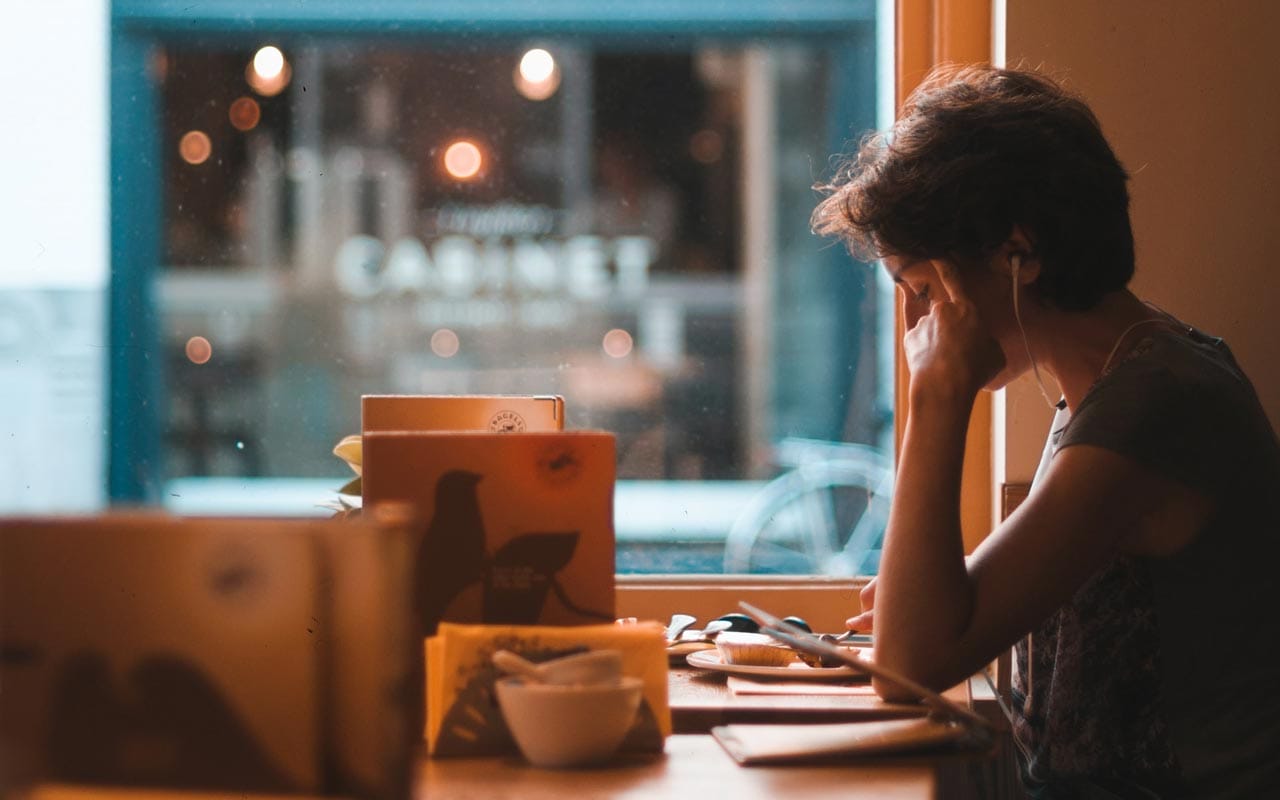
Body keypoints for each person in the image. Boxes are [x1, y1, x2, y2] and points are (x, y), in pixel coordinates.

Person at [812, 64, 1280, 798]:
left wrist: (939, 393)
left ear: (1017, 253)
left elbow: (909, 664)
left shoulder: (1154, 405)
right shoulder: (1117, 382)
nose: (915, 330)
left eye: (923, 290)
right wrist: (921, 592)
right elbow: (940, 622)